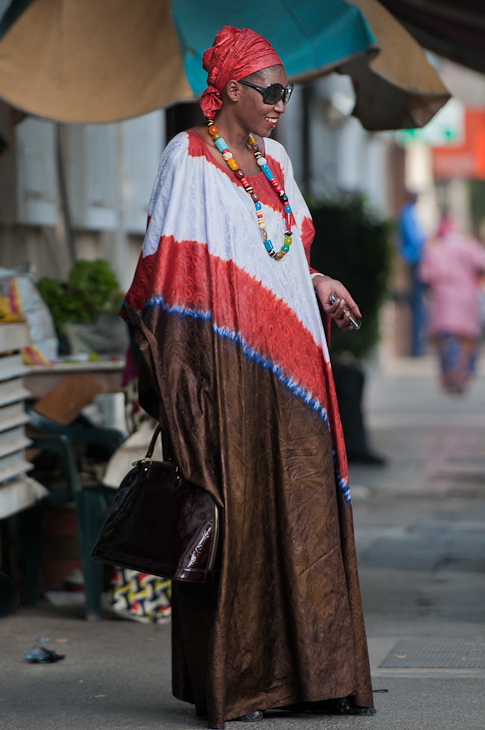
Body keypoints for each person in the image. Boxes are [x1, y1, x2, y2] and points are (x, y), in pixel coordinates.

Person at [123, 26, 374, 728]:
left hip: (294, 366)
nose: (280, 104)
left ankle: (314, 677)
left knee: (304, 510)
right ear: (229, 90)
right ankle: (242, 684)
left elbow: (285, 251)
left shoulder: (279, 161)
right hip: (223, 372)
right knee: (236, 519)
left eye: (286, 92)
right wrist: (183, 383)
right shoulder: (189, 157)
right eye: (269, 91)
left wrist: (318, 282)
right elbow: (164, 274)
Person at [419, 214, 485, 394]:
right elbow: (481, 264)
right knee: (466, 341)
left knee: (447, 342)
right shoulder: (469, 245)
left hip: (443, 301)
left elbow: (425, 276)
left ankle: (450, 379)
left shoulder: (433, 248)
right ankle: (463, 378)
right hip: (466, 300)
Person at [398, 191, 427, 356]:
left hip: (413, 261)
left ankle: (417, 346)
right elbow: (417, 239)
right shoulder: (407, 213)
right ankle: (415, 348)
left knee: (418, 305)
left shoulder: (409, 212)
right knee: (416, 305)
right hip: (412, 261)